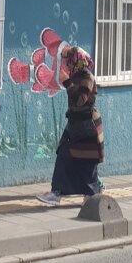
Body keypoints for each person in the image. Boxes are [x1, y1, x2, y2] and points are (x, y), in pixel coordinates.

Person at [36, 45, 105, 206]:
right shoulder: (76, 76)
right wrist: (68, 81)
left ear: (77, 61)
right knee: (64, 153)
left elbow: (80, 100)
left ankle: (92, 193)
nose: (66, 64)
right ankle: (56, 193)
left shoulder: (87, 77)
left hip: (87, 127)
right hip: (75, 125)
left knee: (87, 161)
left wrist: (67, 82)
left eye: (68, 61)